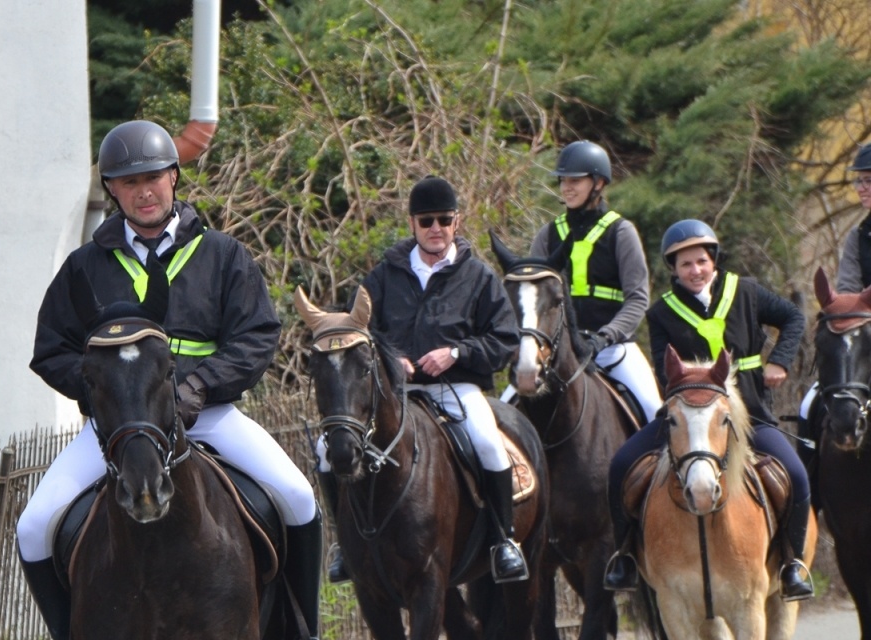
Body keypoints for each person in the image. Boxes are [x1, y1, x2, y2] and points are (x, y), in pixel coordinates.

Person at [19, 119, 337, 640]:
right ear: (113, 190)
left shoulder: (222, 255)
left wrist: (198, 386)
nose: (144, 191)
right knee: (33, 527)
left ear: (174, 178)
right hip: (120, 431)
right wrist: (106, 399)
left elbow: (256, 335)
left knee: (298, 497)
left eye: (154, 178)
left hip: (207, 416)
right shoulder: (84, 268)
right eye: (129, 182)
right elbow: (51, 350)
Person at [322, 176, 527, 585]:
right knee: (324, 450)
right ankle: (345, 542)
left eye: (444, 220)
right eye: (427, 221)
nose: (436, 228)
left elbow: (505, 338)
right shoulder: (382, 277)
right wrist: (390, 360)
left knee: (488, 442)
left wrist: (458, 353)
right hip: (394, 395)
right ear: (412, 224)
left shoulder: (479, 277)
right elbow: (356, 334)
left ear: (457, 222)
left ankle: (504, 540)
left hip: (456, 388)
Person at [602, 220, 813, 600]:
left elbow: (794, 318)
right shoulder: (660, 313)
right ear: (674, 270)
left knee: (796, 476)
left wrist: (780, 360)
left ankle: (793, 563)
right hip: (688, 422)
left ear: (713, 260)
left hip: (751, 416)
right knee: (620, 466)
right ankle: (625, 558)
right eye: (685, 264)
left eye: (701, 261)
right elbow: (664, 373)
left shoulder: (746, 291)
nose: (695, 270)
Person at [520, 141, 660, 421]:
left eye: (575, 181)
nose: (566, 188)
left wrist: (605, 337)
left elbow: (637, 299)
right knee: (505, 409)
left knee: (654, 411)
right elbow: (531, 296)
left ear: (598, 183)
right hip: (559, 351)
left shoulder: (622, 232)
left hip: (612, 350)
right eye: (563, 181)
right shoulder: (548, 235)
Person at [797, 143, 871, 485]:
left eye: (869, 181)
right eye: (859, 181)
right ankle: (808, 495)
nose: (861, 188)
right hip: (865, 340)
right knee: (809, 404)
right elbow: (849, 292)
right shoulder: (858, 236)